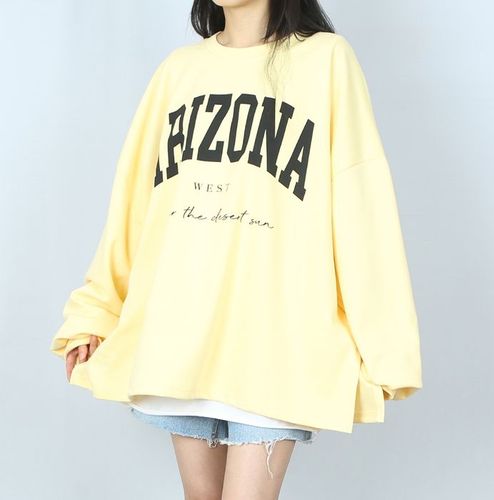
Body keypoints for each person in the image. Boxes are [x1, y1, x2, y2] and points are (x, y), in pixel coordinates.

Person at [50, 0, 423, 498]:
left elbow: (361, 202)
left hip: (274, 343)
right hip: (181, 335)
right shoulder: (179, 71)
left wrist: (386, 345)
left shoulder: (326, 61)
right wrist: (95, 313)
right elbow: (134, 203)